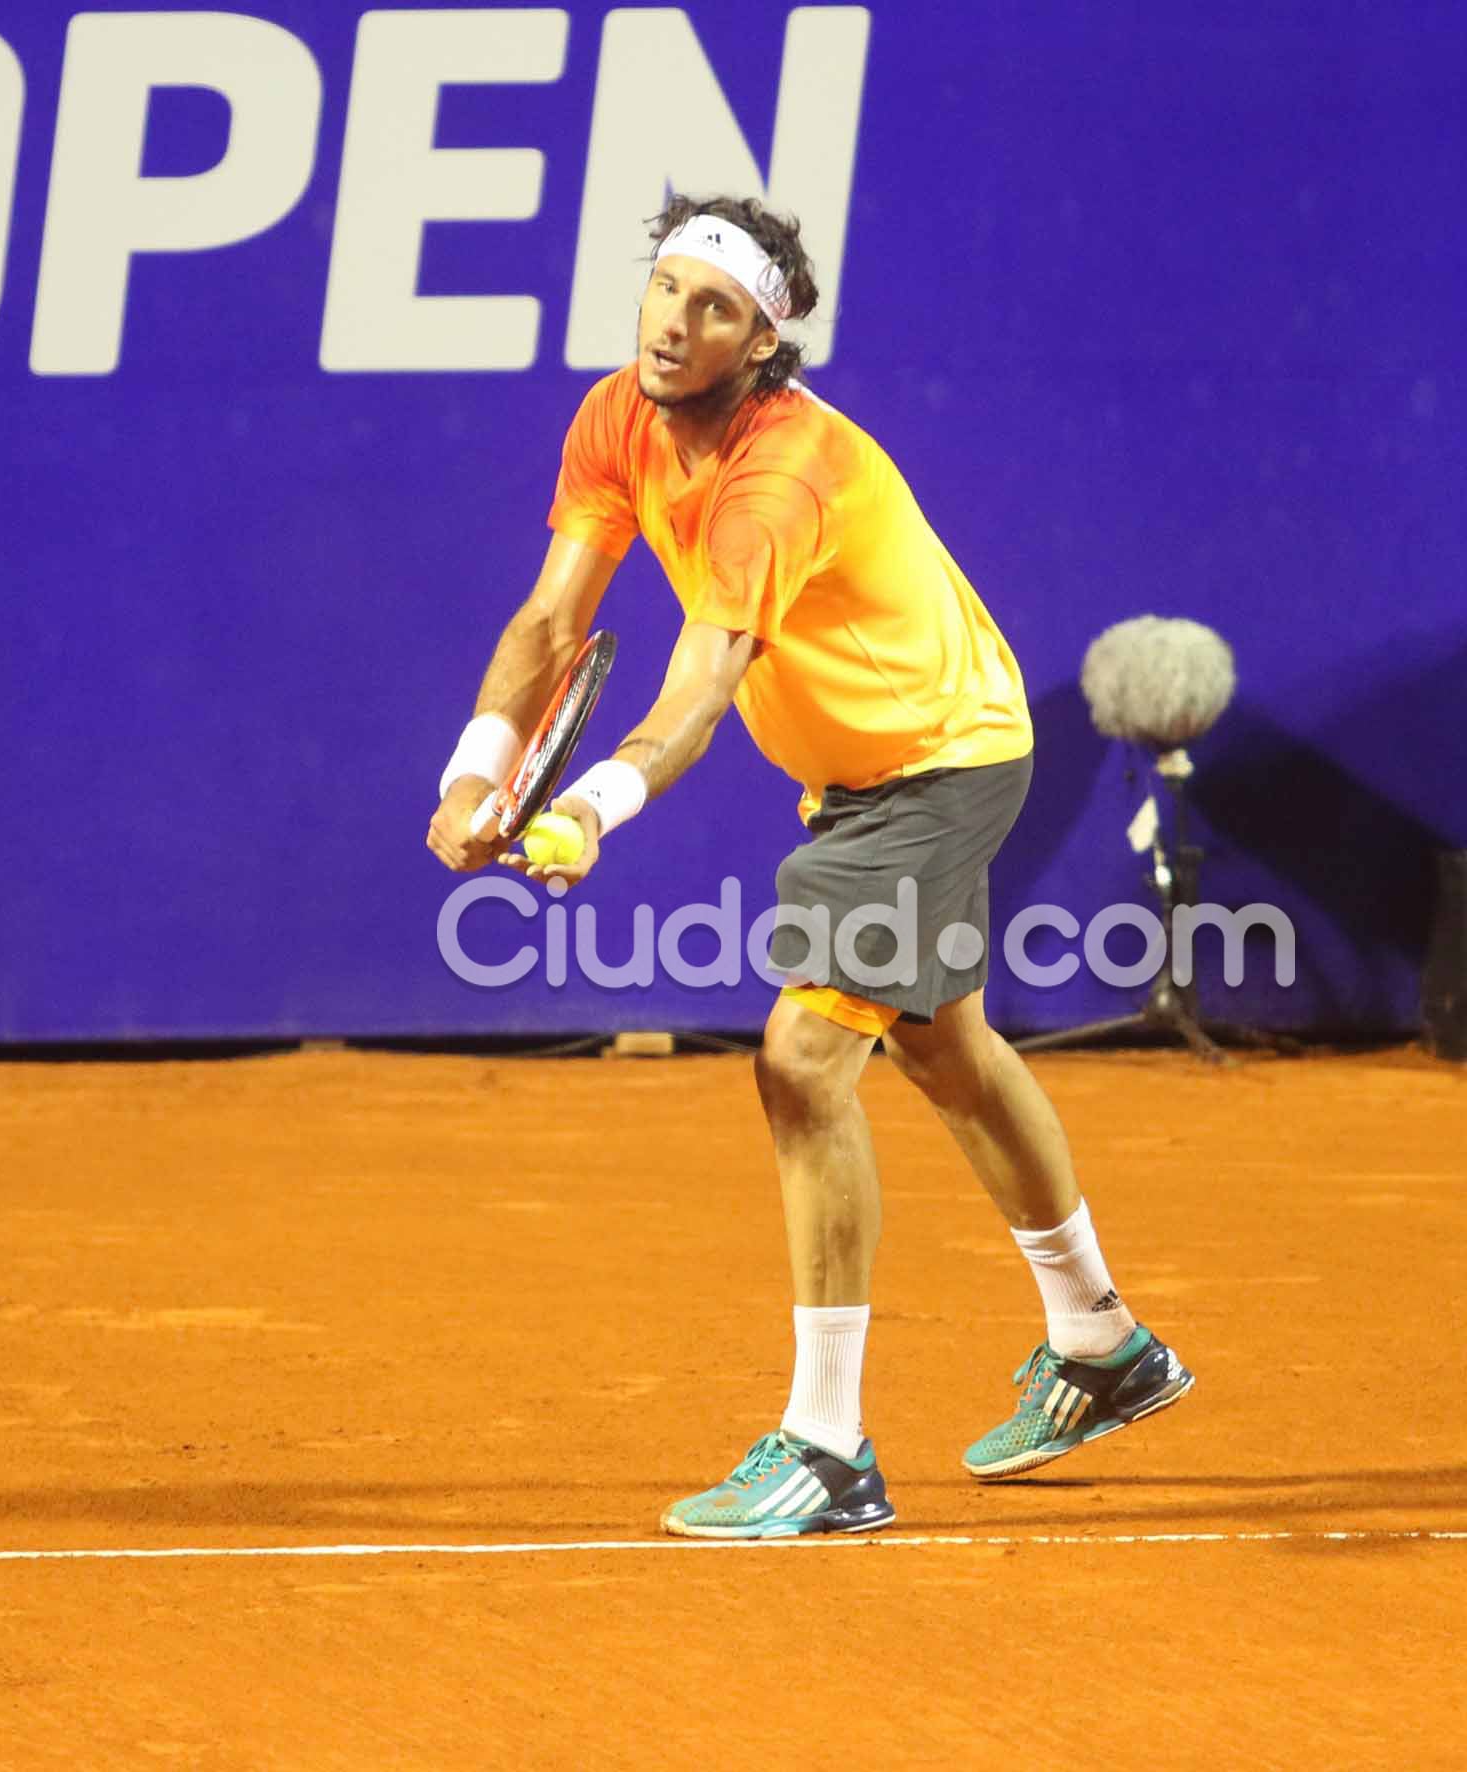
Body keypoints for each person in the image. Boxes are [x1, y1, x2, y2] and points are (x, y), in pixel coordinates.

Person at [425, 195, 1194, 1536]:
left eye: (711, 307)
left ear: (763, 341)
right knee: (946, 1051)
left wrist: (588, 809)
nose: (673, 322)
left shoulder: (781, 475)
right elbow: (555, 617)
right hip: (867, 778)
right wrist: (473, 773)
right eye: (665, 288)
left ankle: (829, 1450)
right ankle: (1102, 1342)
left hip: (938, 765)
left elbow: (698, 690)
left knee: (800, 1062)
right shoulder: (618, 415)